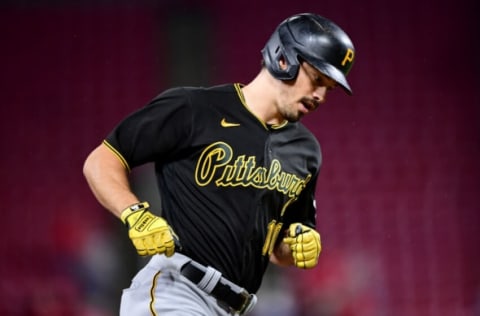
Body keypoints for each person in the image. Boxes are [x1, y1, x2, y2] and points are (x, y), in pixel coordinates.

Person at [83, 12, 355, 316]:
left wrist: (296, 247)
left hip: (234, 308)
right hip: (177, 291)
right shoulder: (195, 109)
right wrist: (133, 213)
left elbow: (276, 247)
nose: (320, 95)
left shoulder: (305, 151)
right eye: (317, 78)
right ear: (283, 58)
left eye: (329, 88)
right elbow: (102, 160)